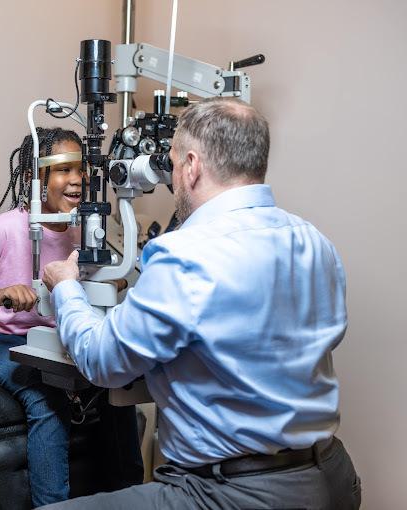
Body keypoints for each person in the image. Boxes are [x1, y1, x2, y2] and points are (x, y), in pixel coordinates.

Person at [40, 98, 361, 509]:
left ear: (191, 165)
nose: (172, 179)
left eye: (172, 164)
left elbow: (103, 360)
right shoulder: (315, 242)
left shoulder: (185, 253)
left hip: (233, 494)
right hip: (333, 477)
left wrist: (66, 286)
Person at [0, 127, 143, 508]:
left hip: (50, 340)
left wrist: (108, 290)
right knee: (47, 391)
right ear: (38, 176)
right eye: (64, 169)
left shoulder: (84, 231)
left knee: (117, 381)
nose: (77, 179)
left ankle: (127, 495)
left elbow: (97, 287)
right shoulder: (7, 227)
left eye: (81, 169)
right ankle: (53, 505)